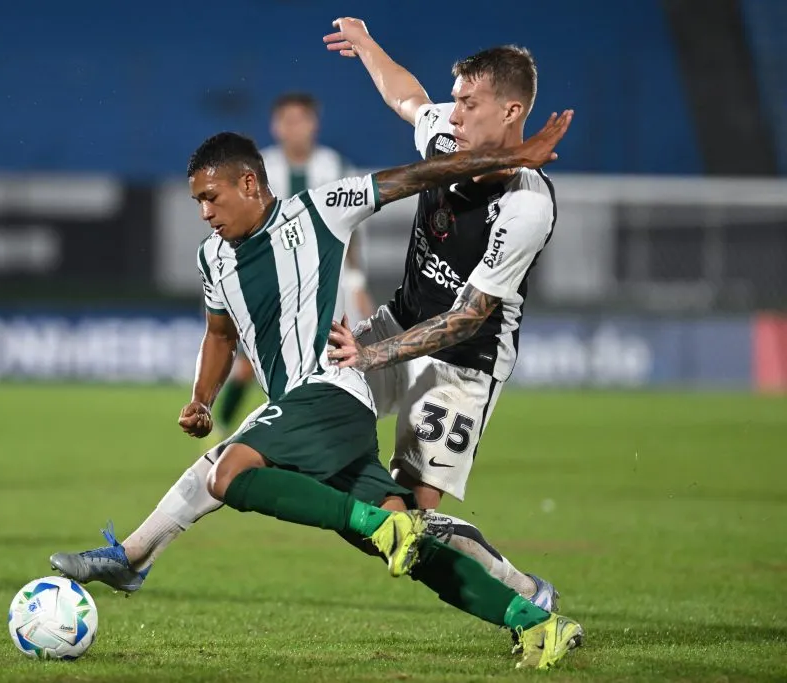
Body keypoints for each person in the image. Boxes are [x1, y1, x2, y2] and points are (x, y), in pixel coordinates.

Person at [51, 115, 582, 669]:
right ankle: (537, 623)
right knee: (411, 543)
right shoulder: (213, 256)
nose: (205, 213)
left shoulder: (320, 209)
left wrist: (515, 158)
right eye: (197, 203)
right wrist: (203, 399)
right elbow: (219, 333)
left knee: (226, 473)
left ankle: (133, 557)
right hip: (301, 414)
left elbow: (426, 174)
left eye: (212, 197)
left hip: (333, 391)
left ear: (249, 184)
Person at [319, 19, 566, 615]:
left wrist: (370, 354)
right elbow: (406, 97)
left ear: (511, 111)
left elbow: (467, 318)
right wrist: (370, 45)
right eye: (454, 100)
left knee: (414, 524)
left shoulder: (527, 204)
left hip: (464, 364)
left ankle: (525, 592)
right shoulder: (445, 143)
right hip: (398, 323)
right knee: (312, 431)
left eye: (467, 103)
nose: (451, 114)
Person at [212, 92, 375, 439]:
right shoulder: (257, 169)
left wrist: (357, 283)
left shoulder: (336, 167)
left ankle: (326, 438)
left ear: (313, 124)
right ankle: (222, 430)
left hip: (326, 283)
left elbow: (353, 231)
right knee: (247, 364)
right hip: (271, 281)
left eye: (300, 120)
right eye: (286, 121)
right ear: (275, 126)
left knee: (331, 361)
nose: (294, 128)